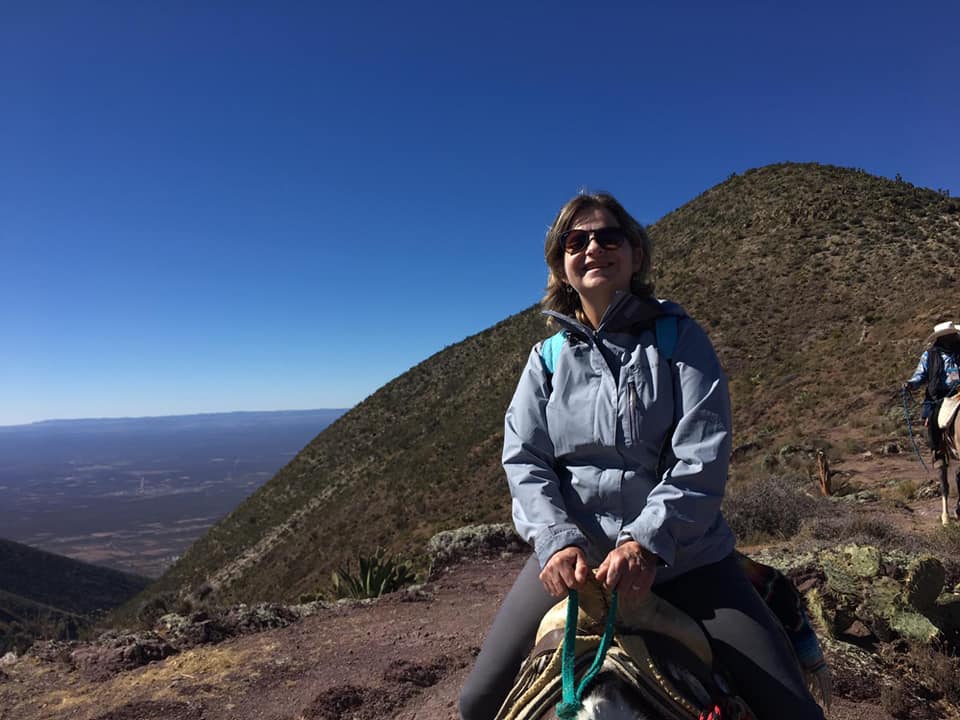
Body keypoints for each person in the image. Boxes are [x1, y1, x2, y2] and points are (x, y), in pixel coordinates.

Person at [458, 192, 824, 720]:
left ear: (634, 254)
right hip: (577, 562)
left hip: (684, 558)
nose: (592, 248)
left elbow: (702, 452)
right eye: (575, 240)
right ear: (560, 264)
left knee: (793, 711)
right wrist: (557, 540)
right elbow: (525, 459)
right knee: (476, 703)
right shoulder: (547, 359)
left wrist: (646, 541)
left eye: (608, 237)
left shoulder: (680, 339)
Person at [903, 321, 960, 516]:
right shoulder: (930, 355)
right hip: (940, 398)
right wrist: (911, 384)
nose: (954, 337)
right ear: (943, 338)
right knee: (935, 422)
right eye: (951, 335)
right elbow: (920, 376)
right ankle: (939, 453)